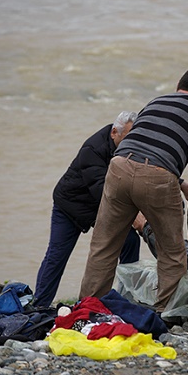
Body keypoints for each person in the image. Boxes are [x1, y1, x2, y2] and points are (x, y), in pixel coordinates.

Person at [79, 67, 188, 311]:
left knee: (103, 248)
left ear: (179, 85)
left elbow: (148, 145)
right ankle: (163, 314)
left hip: (117, 167)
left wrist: (182, 186)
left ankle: (86, 310)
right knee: (173, 254)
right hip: (158, 177)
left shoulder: (156, 101)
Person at [34, 111, 140, 308]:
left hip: (99, 205)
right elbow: (101, 190)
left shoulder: (130, 145)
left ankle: (127, 299)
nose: (130, 142)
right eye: (127, 137)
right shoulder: (93, 148)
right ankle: (39, 305)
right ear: (114, 132)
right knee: (57, 255)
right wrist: (132, 215)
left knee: (130, 241)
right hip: (70, 205)